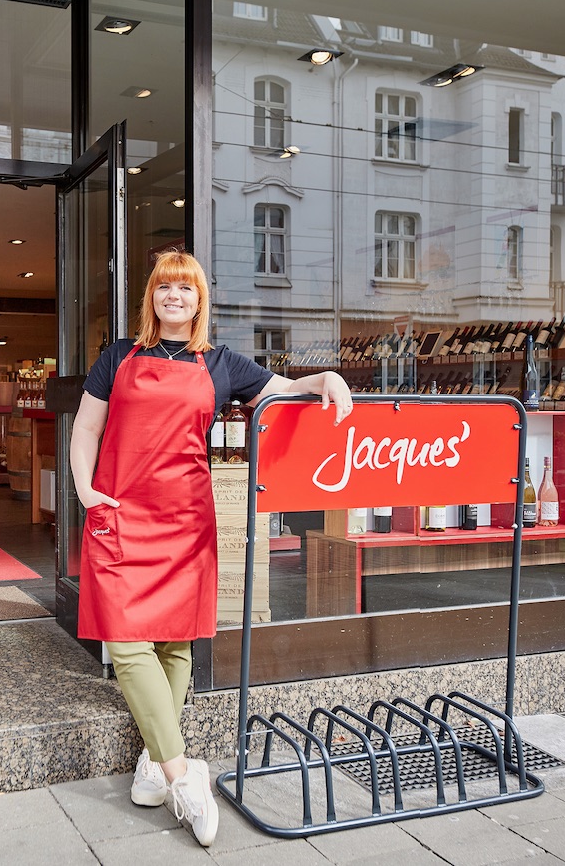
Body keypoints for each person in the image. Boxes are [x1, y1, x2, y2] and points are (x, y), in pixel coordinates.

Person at [70, 250, 352, 847]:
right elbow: (87, 428)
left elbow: (286, 390)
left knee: (175, 642)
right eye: (165, 287)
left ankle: (151, 765)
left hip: (185, 517)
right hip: (121, 513)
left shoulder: (222, 363)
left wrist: (324, 377)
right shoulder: (118, 356)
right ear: (151, 297)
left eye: (186, 288)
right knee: (125, 643)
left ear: (200, 301)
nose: (175, 295)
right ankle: (183, 777)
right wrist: (85, 490)